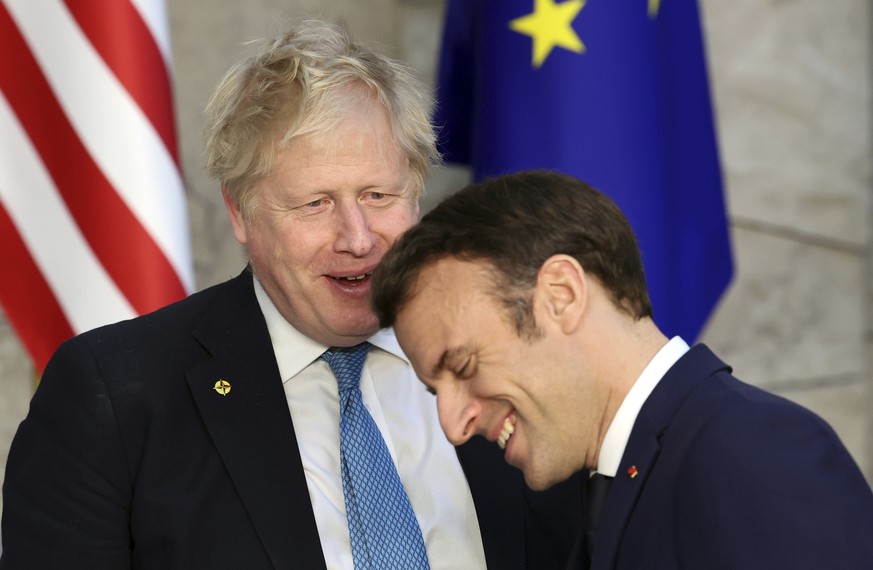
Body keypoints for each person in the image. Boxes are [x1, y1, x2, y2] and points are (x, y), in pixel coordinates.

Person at [0, 23, 581, 569]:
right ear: (239, 212)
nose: (358, 239)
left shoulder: (518, 351)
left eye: (379, 195)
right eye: (315, 204)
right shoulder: (117, 397)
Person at [371, 169, 873, 570]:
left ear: (561, 296)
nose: (453, 425)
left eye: (461, 365)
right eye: (433, 390)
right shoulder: (609, 489)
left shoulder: (755, 456)